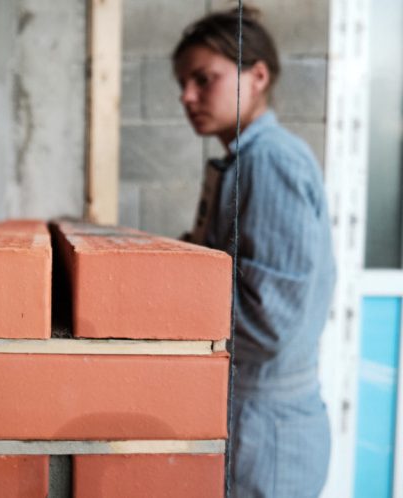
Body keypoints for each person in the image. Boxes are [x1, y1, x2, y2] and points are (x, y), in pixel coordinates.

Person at [173, 6, 335, 498]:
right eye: (183, 83)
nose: (187, 96)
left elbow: (270, 327)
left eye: (205, 79)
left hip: (267, 433)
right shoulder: (243, 159)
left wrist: (164, 299)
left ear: (257, 75)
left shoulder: (269, 162)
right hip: (252, 418)